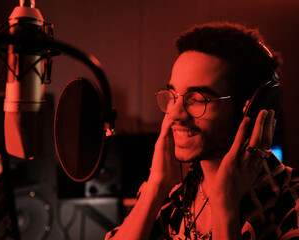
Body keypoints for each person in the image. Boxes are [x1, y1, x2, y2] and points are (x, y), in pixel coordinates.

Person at [105, 22, 299, 239]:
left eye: (197, 99)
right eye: (173, 96)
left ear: (251, 109)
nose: (175, 114)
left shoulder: (292, 200)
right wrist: (156, 186)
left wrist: (225, 209)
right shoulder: (170, 195)